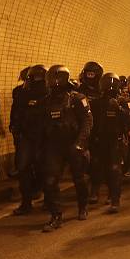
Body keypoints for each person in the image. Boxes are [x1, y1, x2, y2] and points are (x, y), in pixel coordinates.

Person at [41, 65, 93, 232]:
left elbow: (87, 121)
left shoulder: (77, 98)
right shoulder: (46, 101)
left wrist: (80, 142)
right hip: (54, 146)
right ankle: (56, 215)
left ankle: (83, 206)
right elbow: (42, 125)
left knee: (79, 178)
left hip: (74, 144)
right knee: (50, 181)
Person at [88, 73, 130, 212]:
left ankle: (114, 198)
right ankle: (95, 191)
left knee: (114, 169)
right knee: (96, 166)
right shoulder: (95, 102)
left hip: (115, 141)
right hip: (99, 140)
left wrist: (118, 108)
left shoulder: (122, 101)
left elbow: (129, 119)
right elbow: (90, 122)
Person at [11, 65, 48, 215]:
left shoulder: (49, 92)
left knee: (44, 168)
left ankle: (48, 199)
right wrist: (15, 127)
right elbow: (16, 111)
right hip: (27, 135)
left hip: (44, 136)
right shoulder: (22, 93)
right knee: (23, 168)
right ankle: (26, 202)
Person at [8, 66, 30, 178]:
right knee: (19, 146)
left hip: (34, 125)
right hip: (20, 124)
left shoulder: (43, 90)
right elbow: (15, 108)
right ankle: (19, 168)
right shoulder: (17, 91)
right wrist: (12, 123)